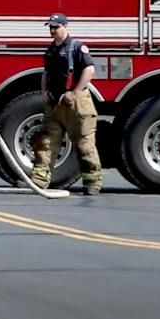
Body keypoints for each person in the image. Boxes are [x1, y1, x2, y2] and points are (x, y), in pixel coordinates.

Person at [35, 12, 103, 195]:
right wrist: (44, 92)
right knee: (46, 142)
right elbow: (46, 73)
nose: (52, 30)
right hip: (55, 103)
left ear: (65, 26)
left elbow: (89, 70)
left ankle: (92, 183)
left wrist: (74, 92)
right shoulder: (50, 51)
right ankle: (39, 181)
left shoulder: (77, 48)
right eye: (50, 27)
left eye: (56, 27)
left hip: (77, 103)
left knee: (84, 143)